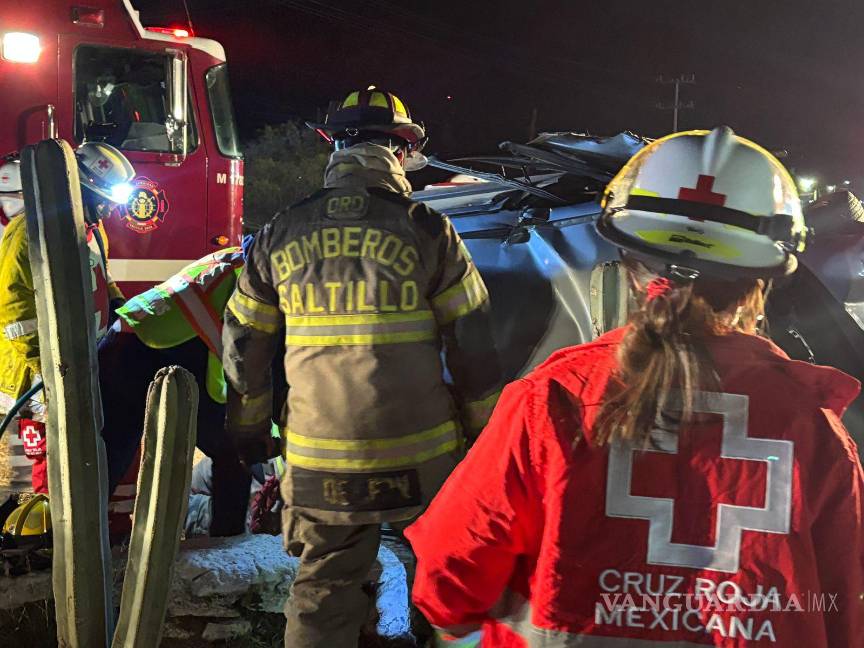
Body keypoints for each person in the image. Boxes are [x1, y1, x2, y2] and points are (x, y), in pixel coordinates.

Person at [406, 127, 864, 647]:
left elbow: (448, 582)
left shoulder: (552, 398)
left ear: (628, 265)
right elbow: (843, 610)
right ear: (761, 283)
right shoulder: (815, 426)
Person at [223, 87, 502, 647]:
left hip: (320, 463)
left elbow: (245, 342)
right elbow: (473, 340)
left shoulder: (280, 230)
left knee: (323, 593)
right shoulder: (426, 228)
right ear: (401, 153)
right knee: (445, 577)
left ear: (334, 148)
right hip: (422, 461)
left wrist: (249, 432)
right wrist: (482, 432)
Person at [0, 143, 133, 503]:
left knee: (76, 451)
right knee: (47, 456)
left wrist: (121, 307)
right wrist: (42, 365)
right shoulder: (29, 230)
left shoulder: (92, 228)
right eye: (102, 199)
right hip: (38, 373)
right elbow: (13, 308)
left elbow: (101, 276)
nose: (107, 209)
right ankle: (44, 539)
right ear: (78, 189)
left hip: (81, 361)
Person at [98, 247, 253, 537]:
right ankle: (230, 549)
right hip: (157, 347)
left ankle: (79, 542)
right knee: (235, 446)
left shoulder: (240, 258)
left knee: (109, 454)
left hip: (126, 337)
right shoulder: (262, 275)